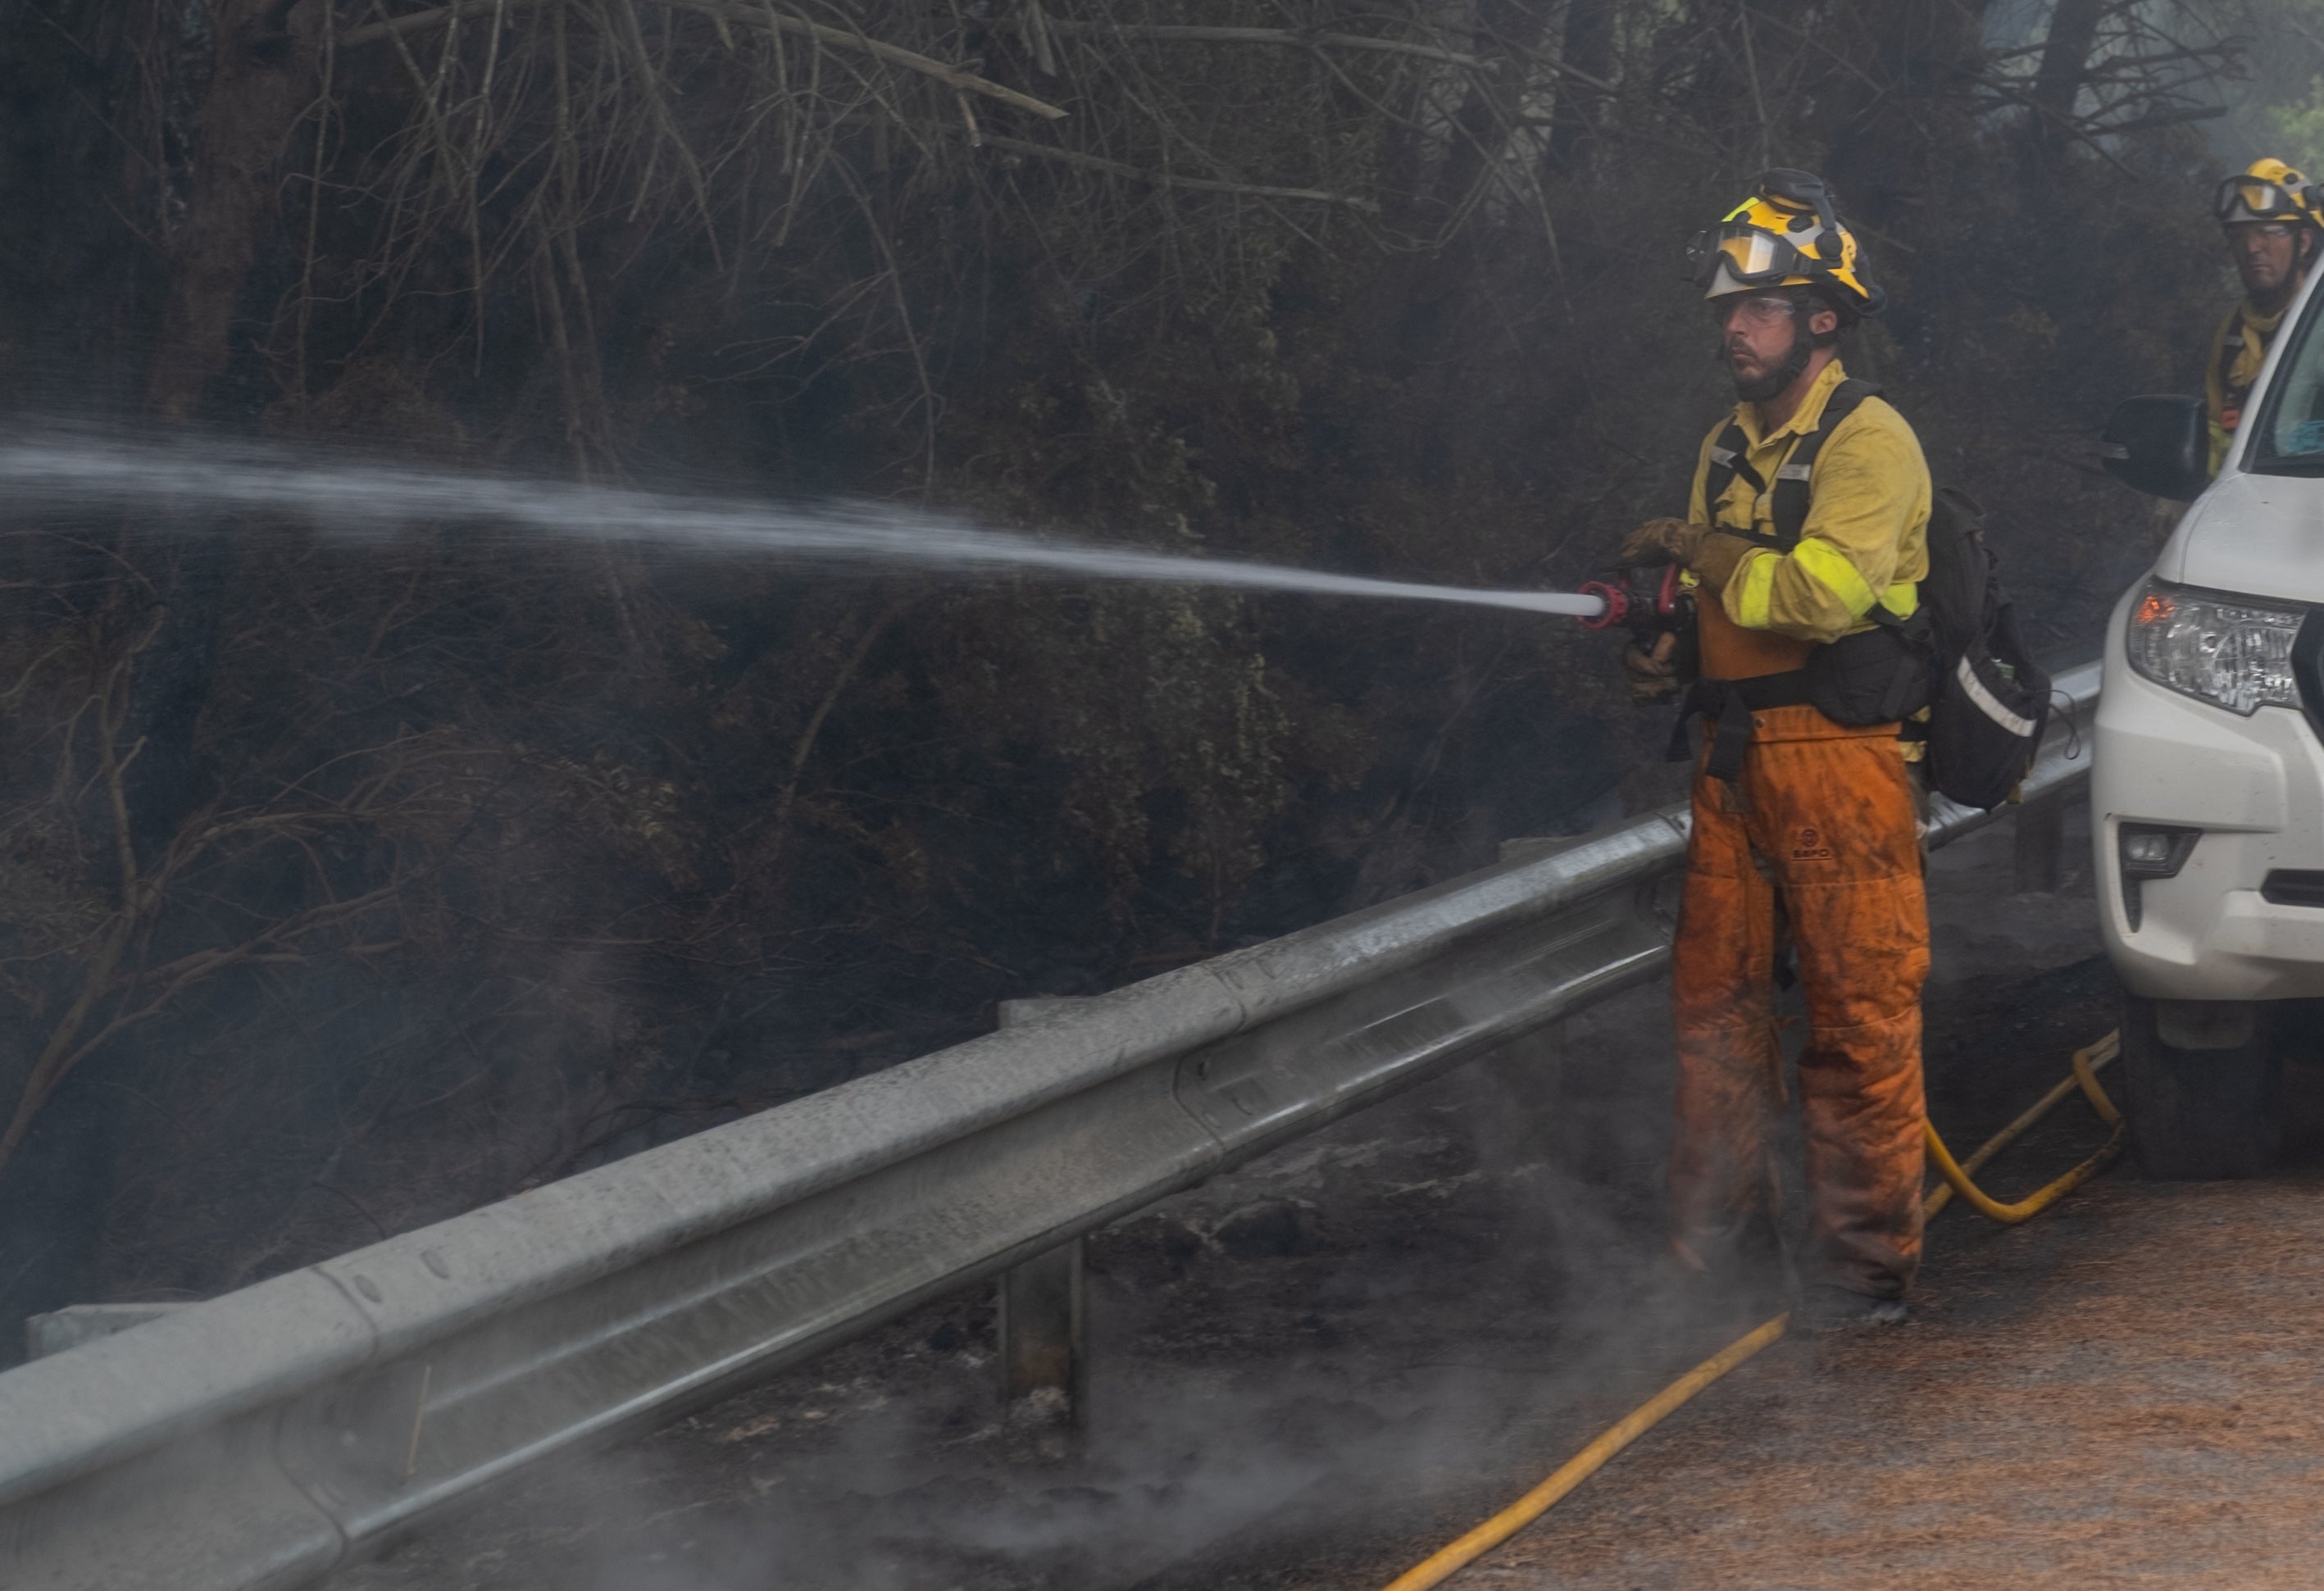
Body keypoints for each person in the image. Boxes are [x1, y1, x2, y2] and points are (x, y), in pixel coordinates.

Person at [1617, 170, 1932, 1328]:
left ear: (1820, 317)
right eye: (1722, 312)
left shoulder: (1868, 442)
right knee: (1712, 1018)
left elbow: (1814, 596)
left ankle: (1859, 1274)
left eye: (1752, 310)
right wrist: (1662, 650)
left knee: (1855, 1019)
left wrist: (1699, 555)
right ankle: (1717, 1272)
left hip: (1839, 764)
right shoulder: (1724, 442)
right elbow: (1719, 602)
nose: (1731, 330)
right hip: (1732, 758)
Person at [2207, 158, 2324, 473]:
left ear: (2304, 242)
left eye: (2268, 232)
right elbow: (2215, 437)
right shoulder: (2233, 333)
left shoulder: (2317, 327)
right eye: (2240, 235)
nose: (2252, 247)